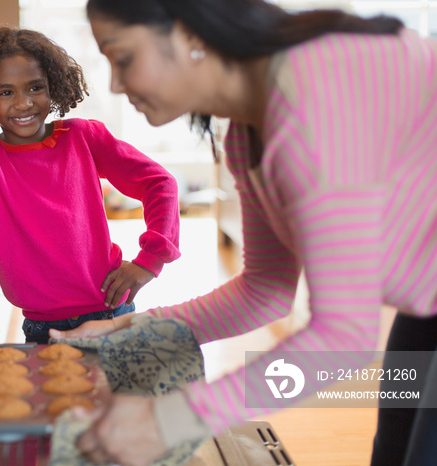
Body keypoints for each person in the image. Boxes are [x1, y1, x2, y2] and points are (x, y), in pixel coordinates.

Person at [49, 1, 437, 465]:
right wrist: (129, 329)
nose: (114, 83)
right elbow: (266, 290)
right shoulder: (244, 132)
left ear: (190, 34)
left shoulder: (314, 100)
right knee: (394, 451)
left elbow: (344, 339)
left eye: (123, 58)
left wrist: (170, 421)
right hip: (427, 307)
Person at [0, 26, 181, 344]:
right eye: (6, 92)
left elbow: (159, 183)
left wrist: (150, 261)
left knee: (119, 395)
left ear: (53, 87)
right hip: (42, 327)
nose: (23, 103)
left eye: (35, 88)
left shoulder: (83, 137)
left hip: (109, 310)